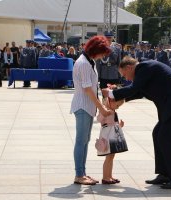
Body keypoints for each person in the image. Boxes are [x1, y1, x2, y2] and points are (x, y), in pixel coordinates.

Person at [102, 56, 171, 189]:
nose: (127, 79)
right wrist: (119, 97)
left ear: (129, 67)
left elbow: (134, 89)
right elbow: (139, 92)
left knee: (166, 139)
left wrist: (112, 94)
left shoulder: (144, 67)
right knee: (157, 133)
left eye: (125, 75)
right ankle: (164, 174)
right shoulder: (145, 71)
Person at [70, 35, 113, 185]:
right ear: (96, 50)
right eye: (102, 53)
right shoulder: (83, 63)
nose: (103, 56)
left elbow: (92, 87)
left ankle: (82, 172)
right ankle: (79, 174)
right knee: (81, 141)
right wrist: (101, 108)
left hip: (88, 107)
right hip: (83, 106)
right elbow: (88, 89)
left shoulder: (90, 61)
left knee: (85, 141)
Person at [96, 97, 126, 184]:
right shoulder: (105, 110)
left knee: (111, 156)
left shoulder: (113, 111)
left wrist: (119, 125)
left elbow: (113, 124)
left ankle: (109, 176)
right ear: (110, 101)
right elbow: (99, 119)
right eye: (117, 105)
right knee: (108, 157)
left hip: (112, 137)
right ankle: (105, 177)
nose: (117, 107)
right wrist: (104, 113)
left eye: (119, 106)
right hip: (107, 137)